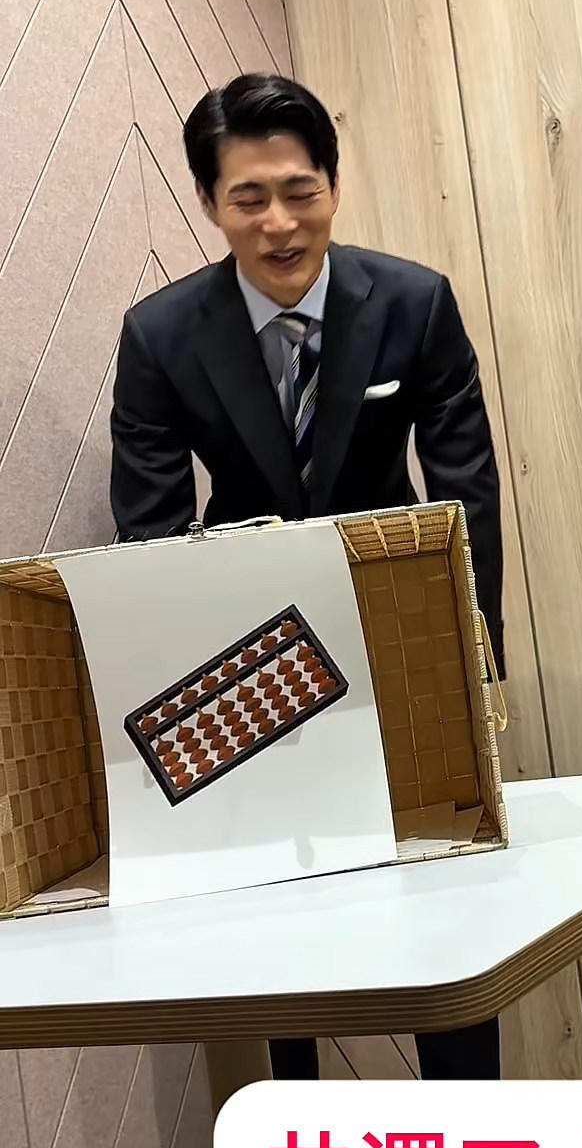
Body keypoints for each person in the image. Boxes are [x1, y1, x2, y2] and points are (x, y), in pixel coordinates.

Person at [110, 72, 505, 1084]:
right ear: (211, 202)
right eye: (249, 198)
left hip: (401, 630)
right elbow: (150, 530)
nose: (280, 224)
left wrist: (477, 654)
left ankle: (468, 1135)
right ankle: (305, 1130)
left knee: (446, 895)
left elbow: (465, 490)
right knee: (280, 921)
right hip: (246, 651)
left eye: (300, 191)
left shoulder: (414, 303)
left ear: (333, 183)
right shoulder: (161, 335)